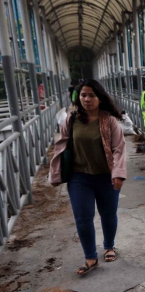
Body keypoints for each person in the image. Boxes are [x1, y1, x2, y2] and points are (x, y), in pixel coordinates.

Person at [49, 79, 127, 275]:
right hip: (79, 177)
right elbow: (61, 145)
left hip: (105, 176)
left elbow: (119, 149)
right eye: (83, 95)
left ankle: (109, 246)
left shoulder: (109, 121)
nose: (87, 99)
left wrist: (118, 173)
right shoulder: (71, 119)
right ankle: (91, 258)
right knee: (83, 218)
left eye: (91, 95)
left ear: (100, 98)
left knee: (108, 215)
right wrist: (56, 171)